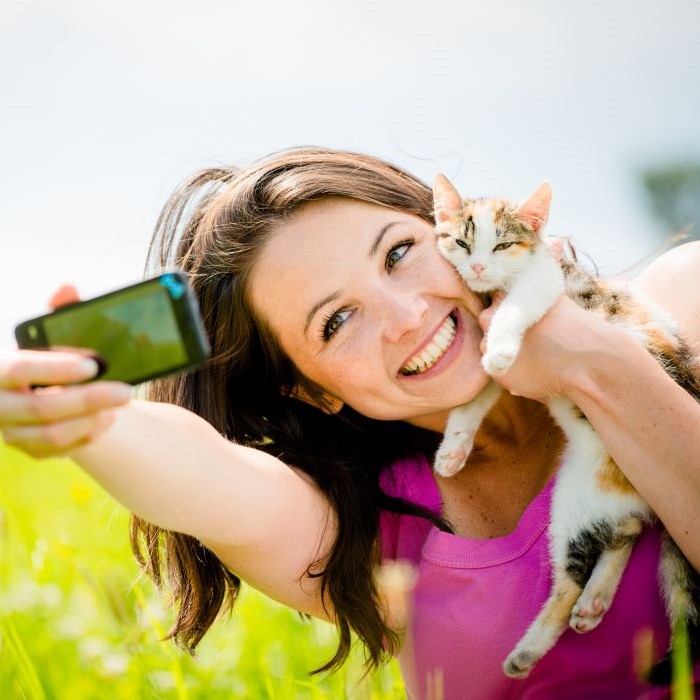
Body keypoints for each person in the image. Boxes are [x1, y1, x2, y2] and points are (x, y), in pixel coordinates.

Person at [1, 147, 699, 699]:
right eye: (337, 322)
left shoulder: (681, 307)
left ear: (443, 226)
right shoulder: (375, 528)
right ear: (313, 392)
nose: (405, 316)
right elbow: (214, 479)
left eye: (399, 253)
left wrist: (601, 367)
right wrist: (97, 422)